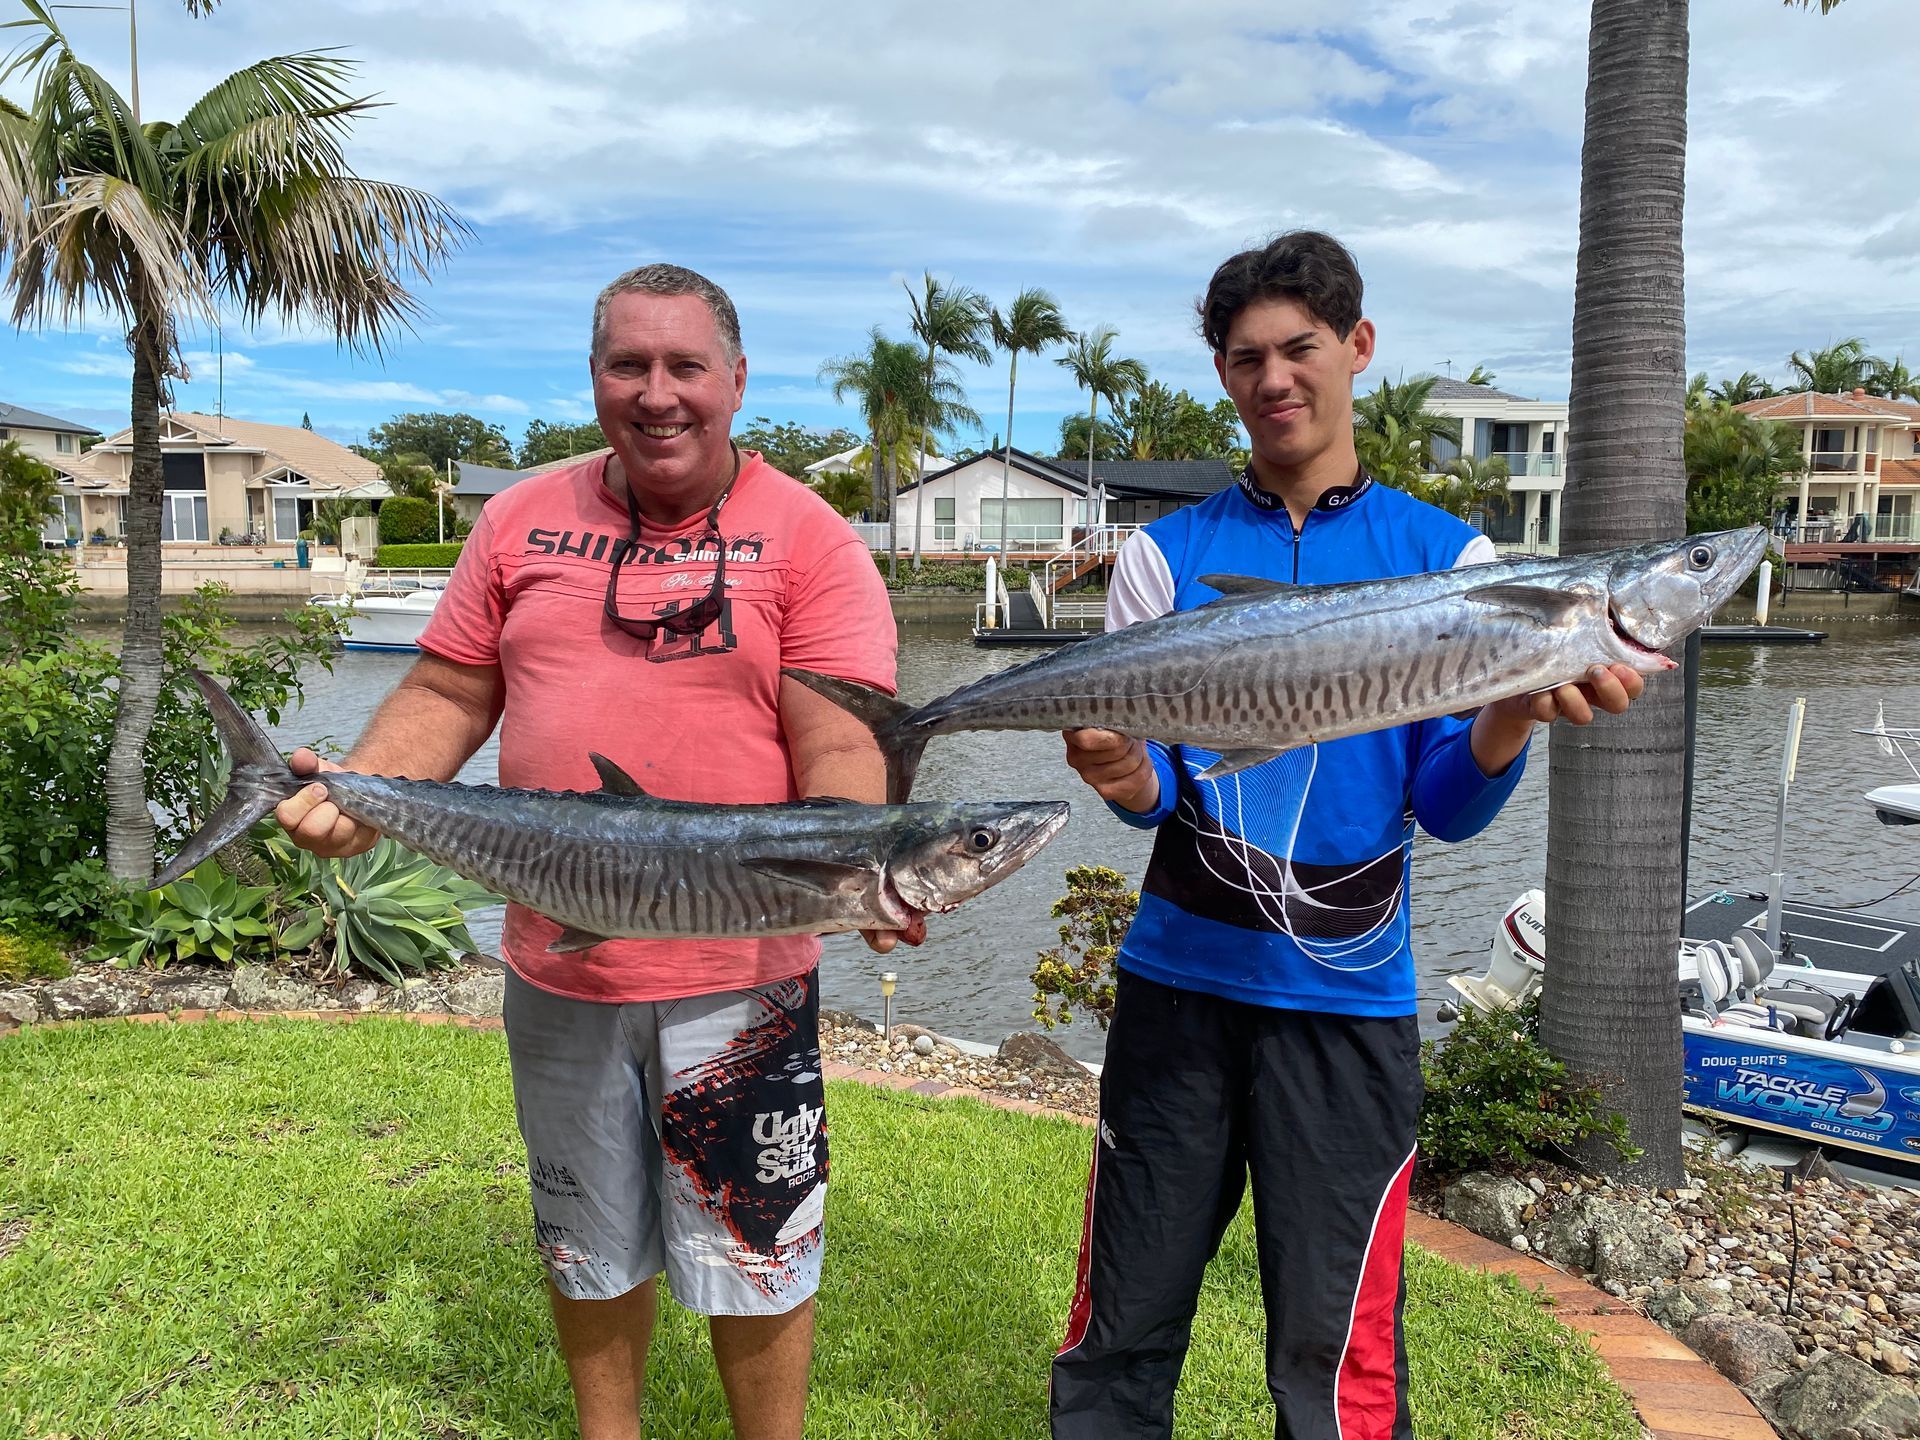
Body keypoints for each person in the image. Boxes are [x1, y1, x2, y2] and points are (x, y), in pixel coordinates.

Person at [274, 263, 907, 1440]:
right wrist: (365, 787)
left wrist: (865, 869)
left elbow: (841, 744)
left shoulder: (810, 541)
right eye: (630, 365)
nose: (658, 394)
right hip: (559, 960)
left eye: (685, 367)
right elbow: (449, 689)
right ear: (595, 379)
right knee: (586, 1237)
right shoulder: (520, 517)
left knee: (757, 1244)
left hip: (745, 975)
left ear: (737, 381)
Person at [1050, 231, 1646, 1440]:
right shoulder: (1166, 556)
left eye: (1300, 349)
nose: (1275, 378)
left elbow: (1447, 805)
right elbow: (1159, 792)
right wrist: (1119, 770)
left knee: (1339, 1353)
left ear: (1357, 349)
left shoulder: (1452, 561)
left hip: (1351, 1006)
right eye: (1247, 357)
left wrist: (1512, 714)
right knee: (1122, 1322)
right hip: (1180, 990)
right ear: (1223, 374)